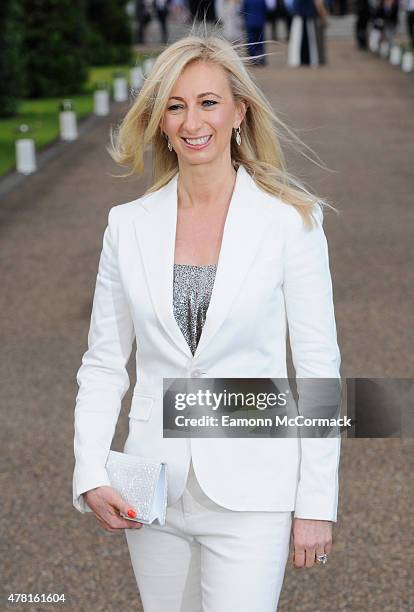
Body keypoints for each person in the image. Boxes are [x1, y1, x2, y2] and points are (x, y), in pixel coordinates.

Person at [73, 26, 342, 611]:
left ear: (239, 111)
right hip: (152, 488)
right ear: (160, 121)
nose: (193, 122)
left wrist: (316, 502)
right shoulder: (128, 226)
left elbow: (320, 371)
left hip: (254, 492)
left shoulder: (290, 223)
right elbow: (103, 363)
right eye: (175, 107)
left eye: (208, 102)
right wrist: (91, 468)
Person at [287, 0, 324, 66]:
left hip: (306, 17)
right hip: (303, 17)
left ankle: (307, 59)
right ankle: (302, 59)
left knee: (308, 39)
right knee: (300, 38)